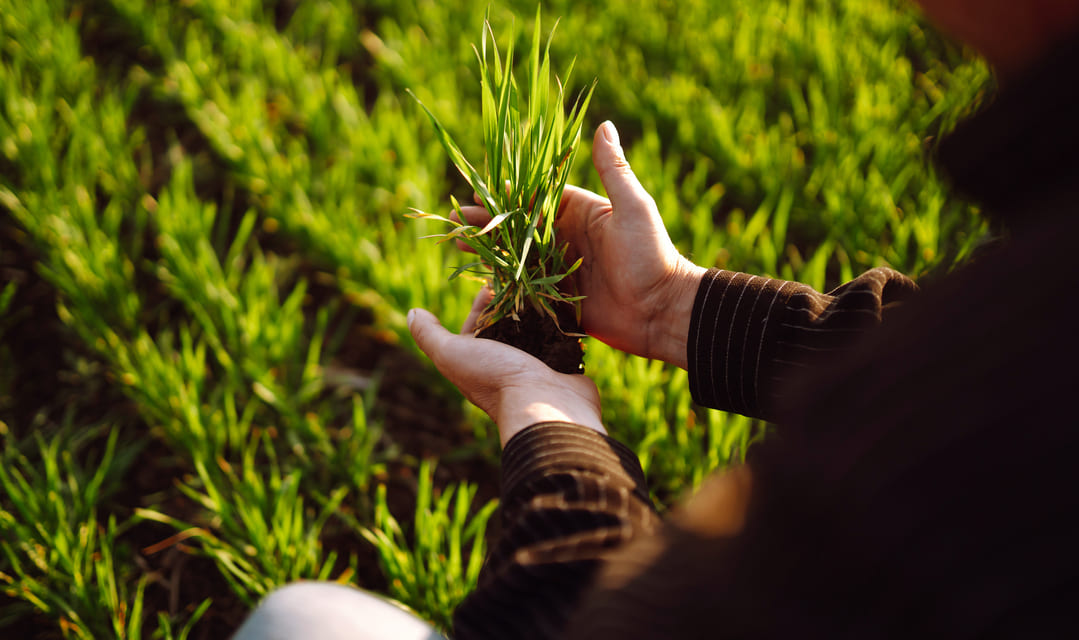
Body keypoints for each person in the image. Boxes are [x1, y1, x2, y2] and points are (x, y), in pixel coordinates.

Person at [235, 0, 1079, 637]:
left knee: (299, 619)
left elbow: (598, 623)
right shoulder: (1030, 306)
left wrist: (548, 417)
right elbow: (944, 366)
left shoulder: (983, 440)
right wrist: (677, 304)